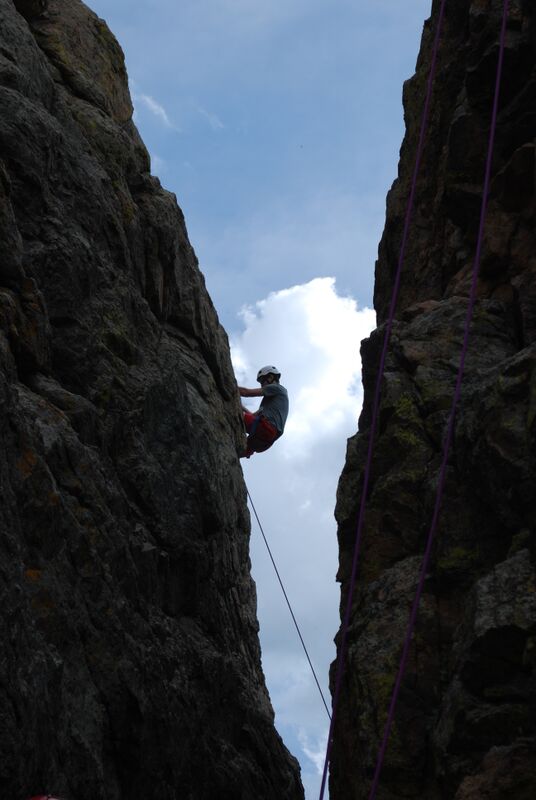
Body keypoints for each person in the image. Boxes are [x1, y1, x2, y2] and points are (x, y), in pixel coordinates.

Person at [238, 365, 289, 458]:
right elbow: (253, 416)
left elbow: (246, 392)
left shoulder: (277, 388)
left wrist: (230, 385)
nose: (261, 384)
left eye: (263, 381)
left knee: (237, 416)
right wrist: (240, 407)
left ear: (271, 377)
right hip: (265, 442)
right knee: (237, 451)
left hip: (266, 428)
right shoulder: (271, 404)